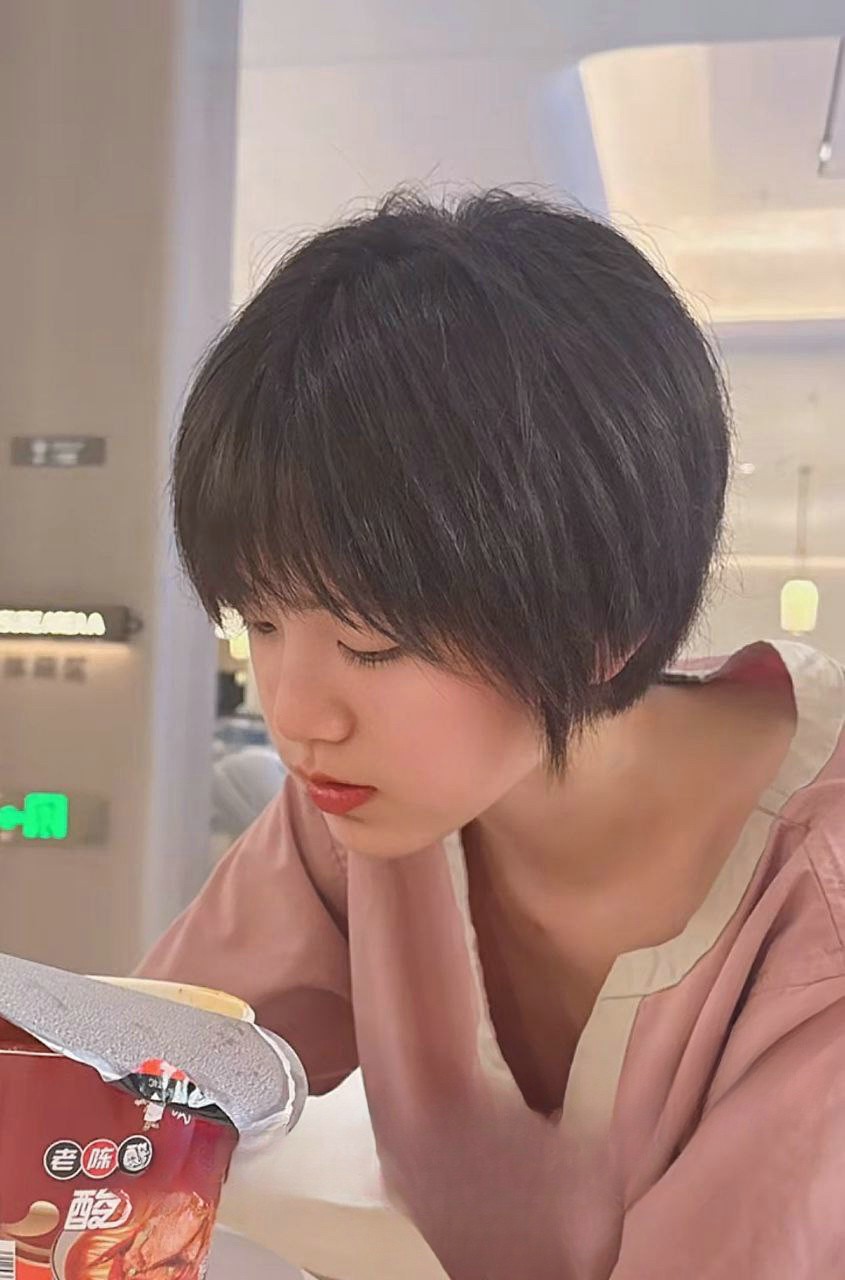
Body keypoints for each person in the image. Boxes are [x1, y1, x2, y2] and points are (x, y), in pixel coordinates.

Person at [139, 188, 845, 1279]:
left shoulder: (814, 902)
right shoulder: (362, 804)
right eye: (261, 623)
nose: (296, 713)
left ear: (600, 626)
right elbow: (139, 1084)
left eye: (370, 643)